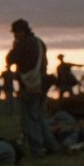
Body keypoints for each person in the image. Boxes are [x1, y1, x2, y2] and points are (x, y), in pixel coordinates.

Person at [5, 18, 59, 156]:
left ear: (20, 32)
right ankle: (51, 146)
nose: (14, 35)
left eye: (15, 33)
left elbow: (10, 59)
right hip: (42, 84)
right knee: (40, 117)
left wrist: (15, 46)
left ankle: (37, 149)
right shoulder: (40, 43)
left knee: (29, 119)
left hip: (29, 86)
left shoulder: (22, 44)